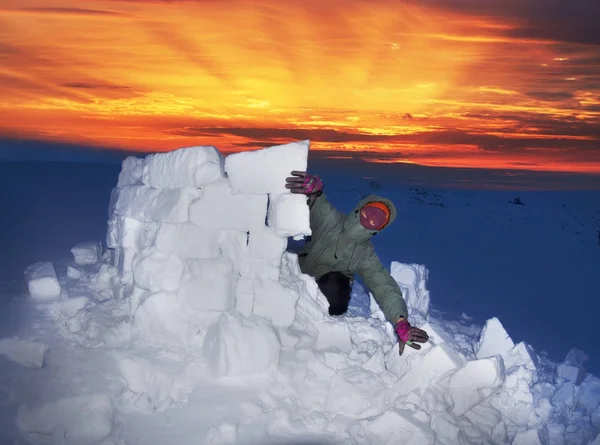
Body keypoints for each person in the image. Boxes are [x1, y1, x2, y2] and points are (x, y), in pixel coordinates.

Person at [285, 171, 429, 355]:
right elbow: (317, 205)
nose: (369, 220)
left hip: (325, 297)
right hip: (294, 274)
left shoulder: (365, 254)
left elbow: (385, 287)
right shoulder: (331, 221)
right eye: (369, 213)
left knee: (336, 284)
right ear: (359, 209)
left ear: (378, 229)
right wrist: (314, 192)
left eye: (376, 220)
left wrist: (401, 322)